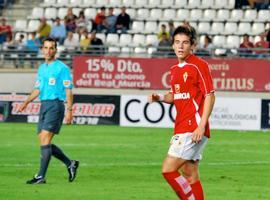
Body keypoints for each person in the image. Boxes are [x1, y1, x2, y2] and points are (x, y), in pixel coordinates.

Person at [148, 25, 215, 200]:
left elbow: (210, 96)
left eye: (185, 43)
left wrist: (201, 126)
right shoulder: (174, 70)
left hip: (192, 127)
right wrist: (160, 97)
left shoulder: (199, 65)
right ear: (172, 45)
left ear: (192, 45)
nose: (180, 46)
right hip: (183, 125)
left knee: (168, 170)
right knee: (190, 173)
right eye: (177, 42)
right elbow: (175, 96)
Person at [18, 37, 79, 184]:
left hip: (56, 106)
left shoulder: (62, 68)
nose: (48, 50)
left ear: (56, 50)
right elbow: (38, 89)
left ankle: (40, 176)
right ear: (42, 49)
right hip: (44, 105)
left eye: (51, 48)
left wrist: (70, 110)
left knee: (45, 139)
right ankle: (70, 163)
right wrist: (26, 102)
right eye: (45, 47)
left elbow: (68, 90)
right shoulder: (42, 68)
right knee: (44, 141)